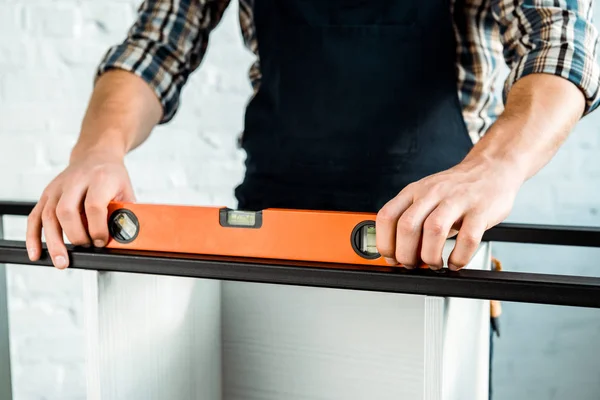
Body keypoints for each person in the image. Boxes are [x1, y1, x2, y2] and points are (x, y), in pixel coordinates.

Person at [26, 2, 598, 273]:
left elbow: (562, 41)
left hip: (430, 244)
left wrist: (496, 165)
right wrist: (97, 151)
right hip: (270, 243)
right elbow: (156, 47)